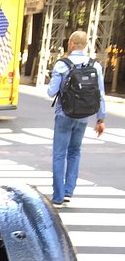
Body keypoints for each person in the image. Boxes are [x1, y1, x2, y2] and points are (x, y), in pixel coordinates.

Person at [47, 30, 106, 208]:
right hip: (83, 116)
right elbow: (100, 94)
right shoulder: (95, 66)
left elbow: (51, 92)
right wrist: (100, 119)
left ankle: (57, 197)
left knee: (59, 154)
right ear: (85, 45)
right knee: (75, 152)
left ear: (71, 44)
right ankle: (68, 192)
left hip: (64, 114)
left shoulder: (62, 65)